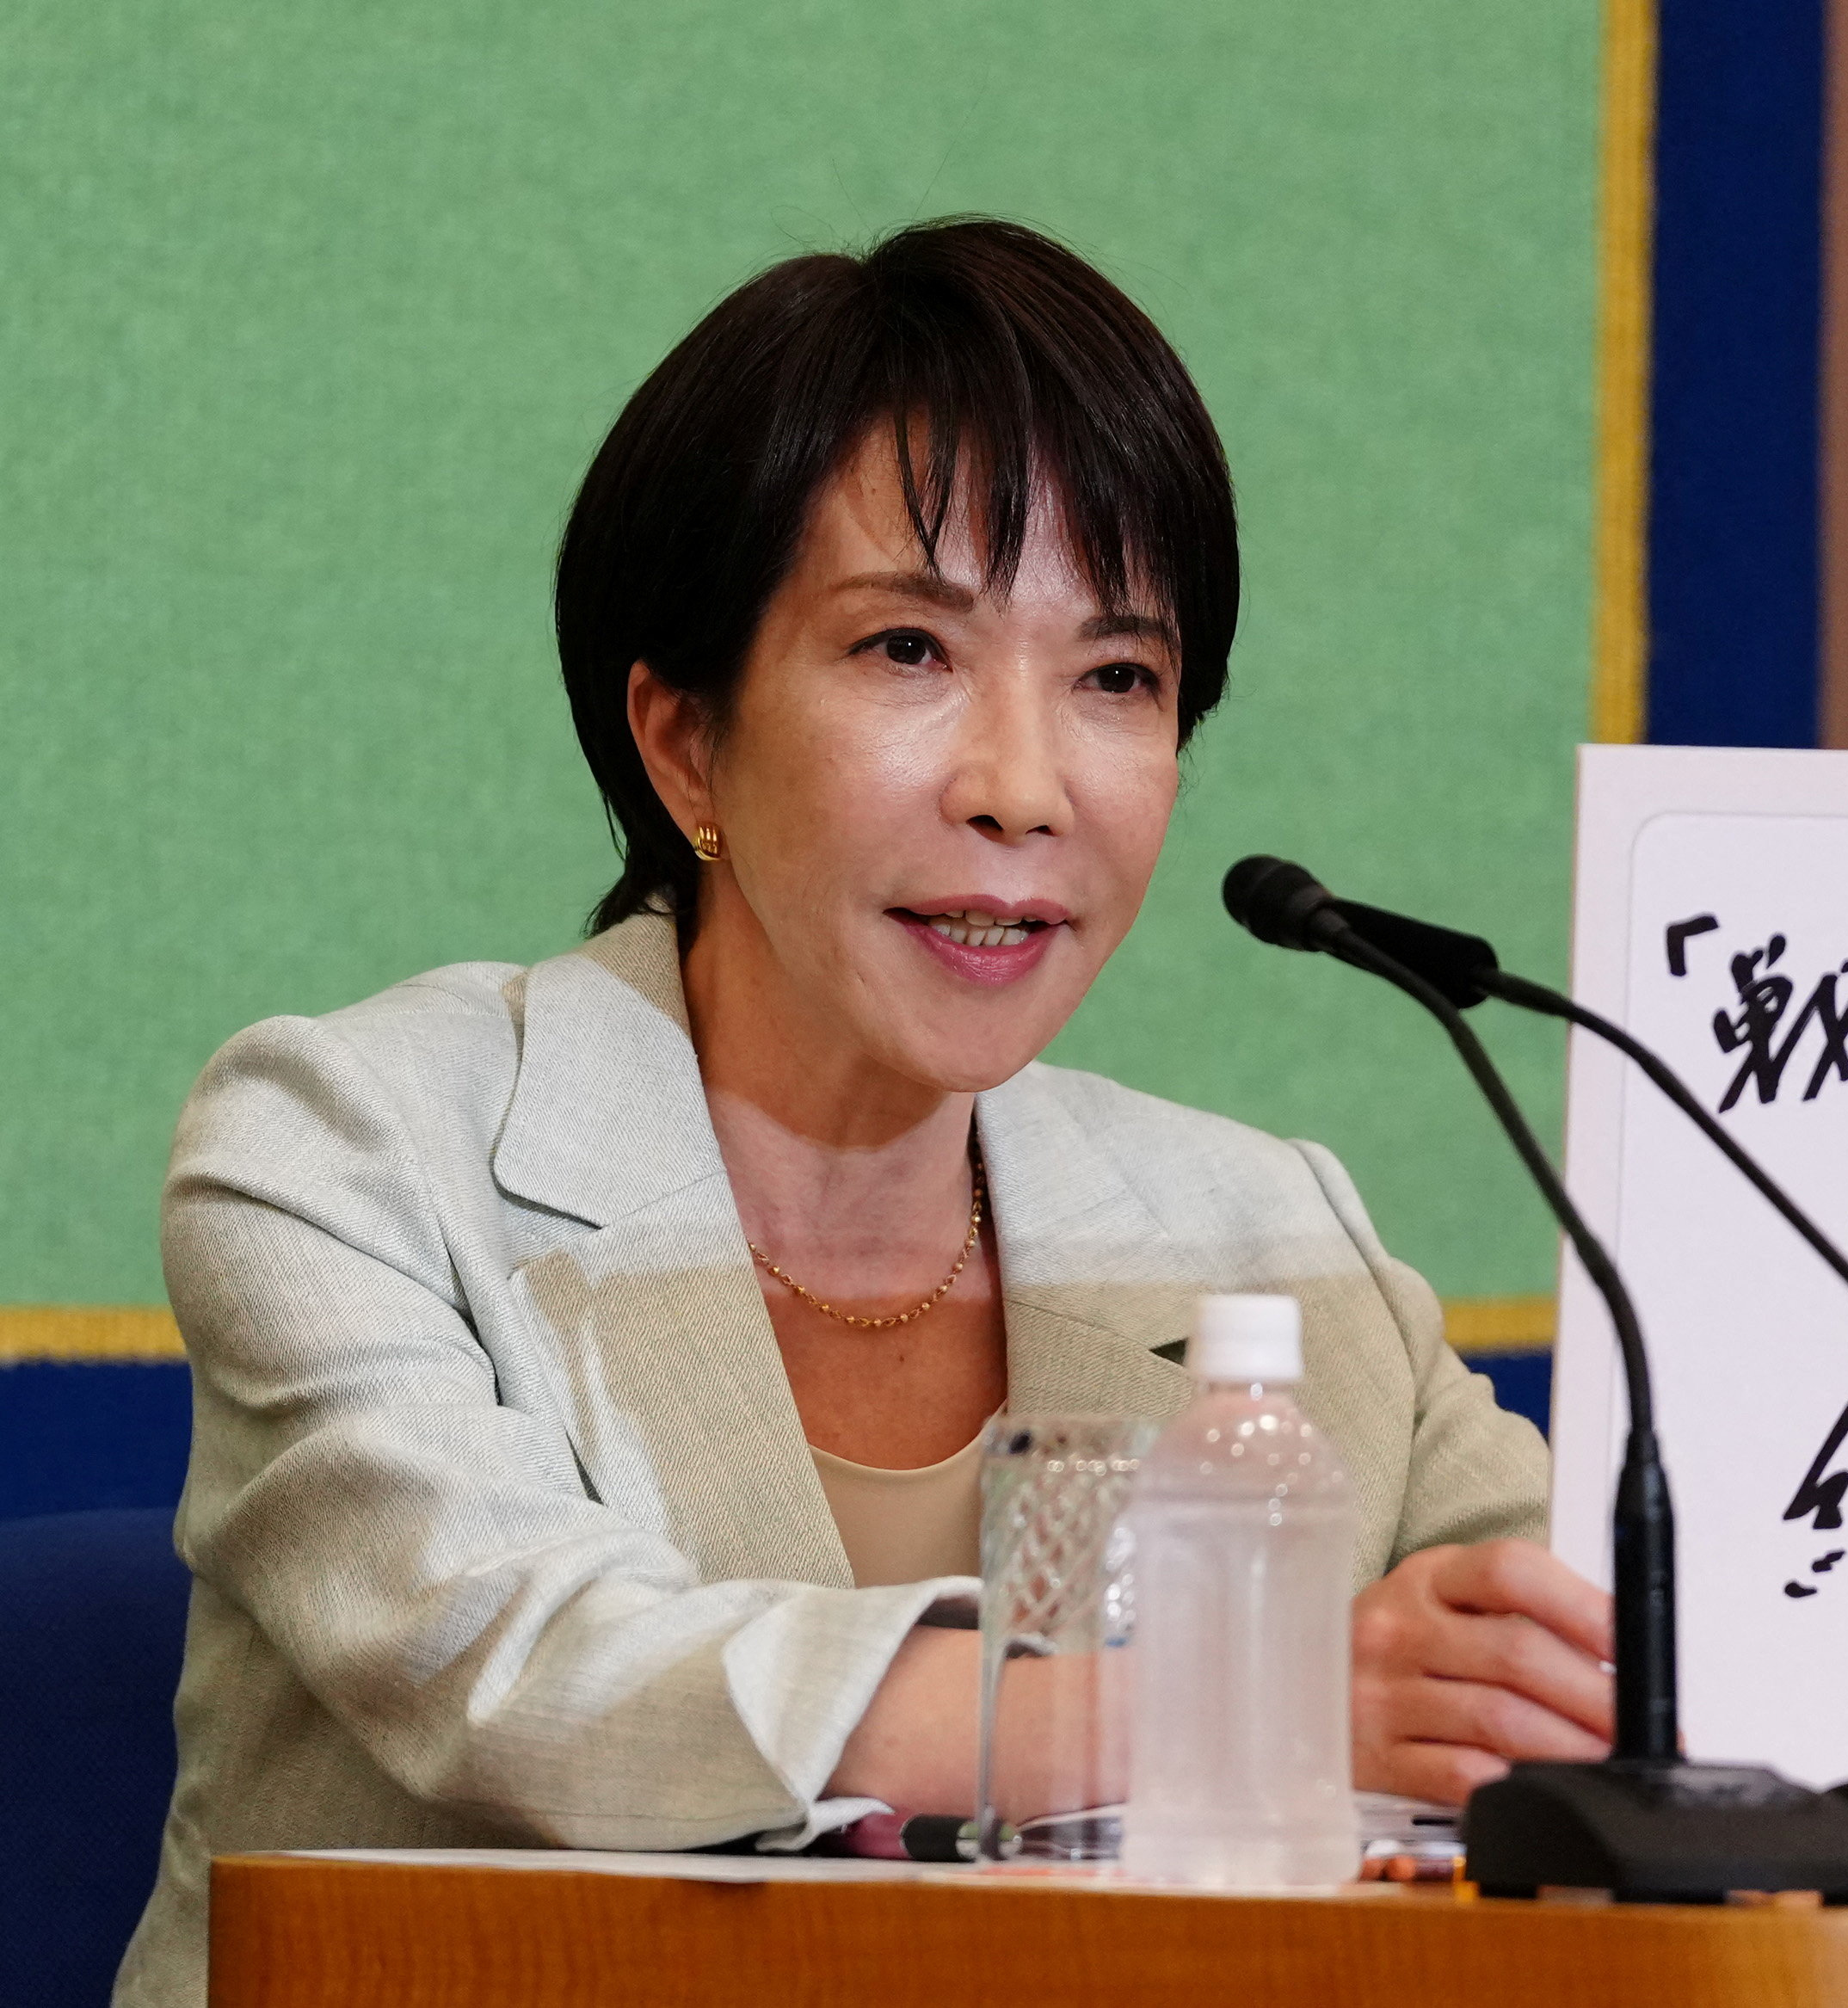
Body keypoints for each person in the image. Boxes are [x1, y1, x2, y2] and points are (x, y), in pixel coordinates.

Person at [113, 219, 1612, 2008]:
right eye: (909, 651)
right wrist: (1255, 1699)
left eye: (1116, 677)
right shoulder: (354, 1148)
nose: (1023, 786)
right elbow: (542, 1679)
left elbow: (1610, 1679)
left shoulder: (1274, 1233)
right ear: (683, 745)